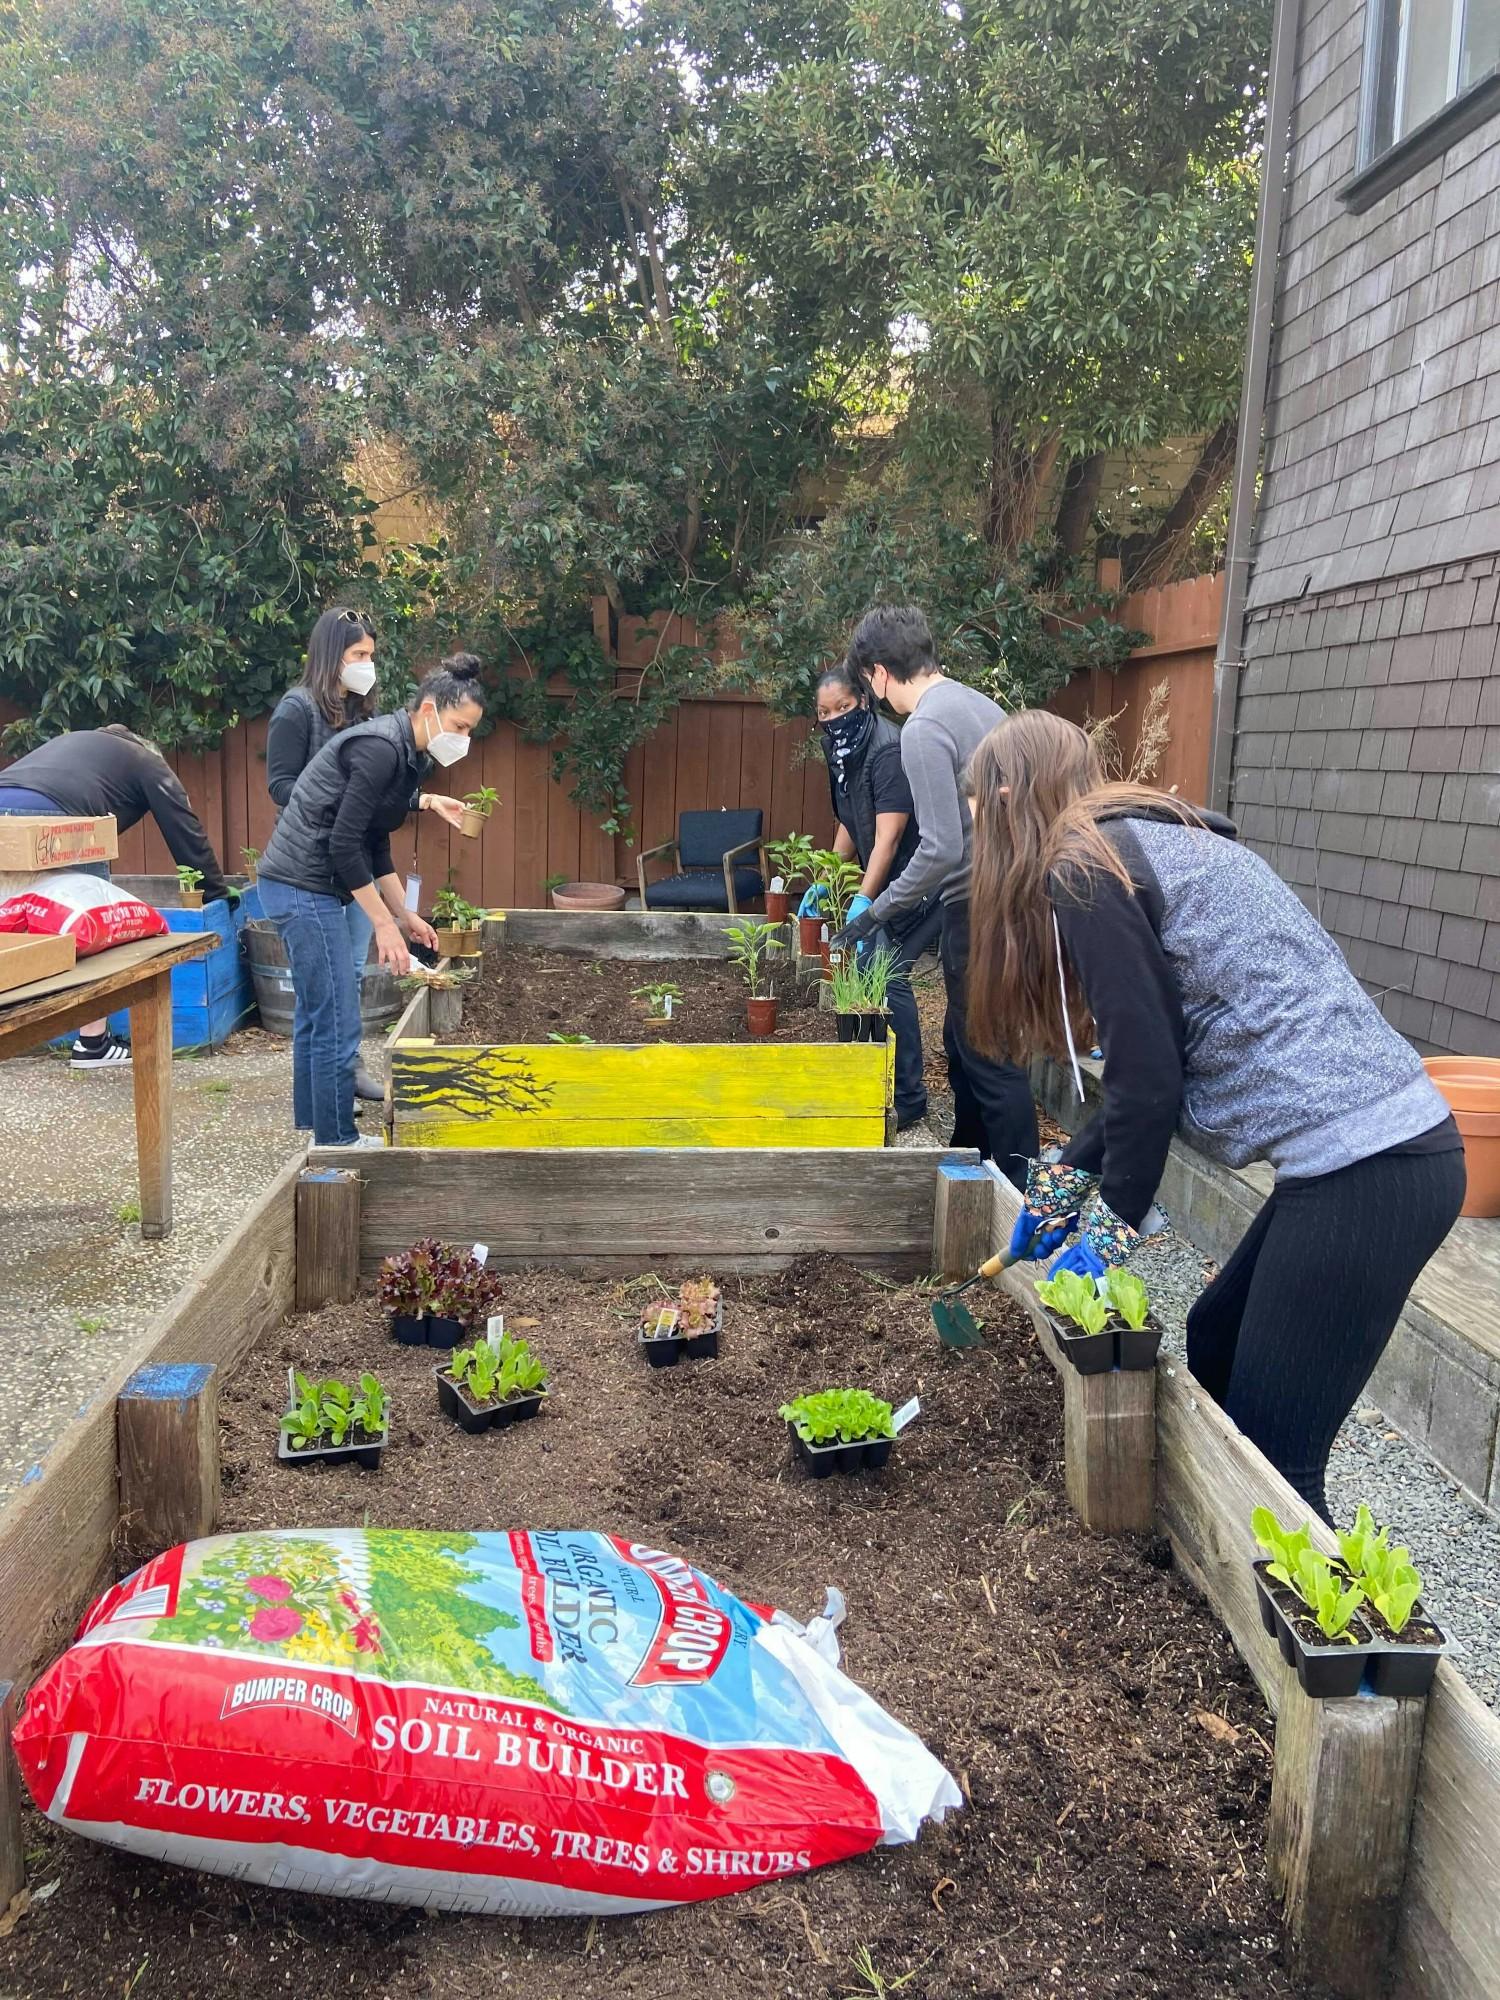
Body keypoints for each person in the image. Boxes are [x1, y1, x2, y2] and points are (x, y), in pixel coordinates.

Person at [965, 709, 1465, 1520]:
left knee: (1276, 1458)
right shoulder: (1136, 844)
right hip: (1369, 1159)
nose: (973, 822)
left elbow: (1151, 1077)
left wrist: (1111, 1227)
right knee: (1219, 1341)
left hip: (1375, 1168)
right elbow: (1151, 1063)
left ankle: (1300, 1630)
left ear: (1011, 792)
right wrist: (1068, 1177)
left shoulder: (1083, 865)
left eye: (976, 802)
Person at [832, 604, 1038, 1185]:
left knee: (990, 1054)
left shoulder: (922, 728)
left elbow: (943, 848)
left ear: (877, 673)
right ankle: (969, 1164)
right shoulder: (981, 706)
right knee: (966, 1038)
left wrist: (877, 911)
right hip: (1017, 897)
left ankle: (1021, 1200)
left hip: (980, 903)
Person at [255, 654, 485, 1148]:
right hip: (302, 883)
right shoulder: (380, 748)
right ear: (429, 709)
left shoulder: (409, 758)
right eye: (460, 726)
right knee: (337, 1016)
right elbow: (343, 844)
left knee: (321, 1014)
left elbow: (375, 842)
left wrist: (406, 916)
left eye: (470, 731)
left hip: (307, 883)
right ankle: (337, 1140)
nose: (463, 739)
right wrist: (381, 924)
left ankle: (316, 1131)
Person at [0, 725, 233, 1069]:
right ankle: (93, 1044)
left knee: (12, 913)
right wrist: (217, 893)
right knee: (96, 923)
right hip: (66, 815)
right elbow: (183, 829)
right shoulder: (146, 761)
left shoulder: (79, 744)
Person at [807, 660, 939, 1131]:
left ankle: (909, 1098)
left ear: (864, 699)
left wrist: (863, 903)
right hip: (887, 883)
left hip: (919, 885)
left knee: (892, 979)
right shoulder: (843, 752)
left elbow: (888, 836)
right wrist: (826, 876)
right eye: (825, 712)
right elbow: (850, 819)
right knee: (871, 974)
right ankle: (874, 1075)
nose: (835, 717)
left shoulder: (887, 749)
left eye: (843, 706)